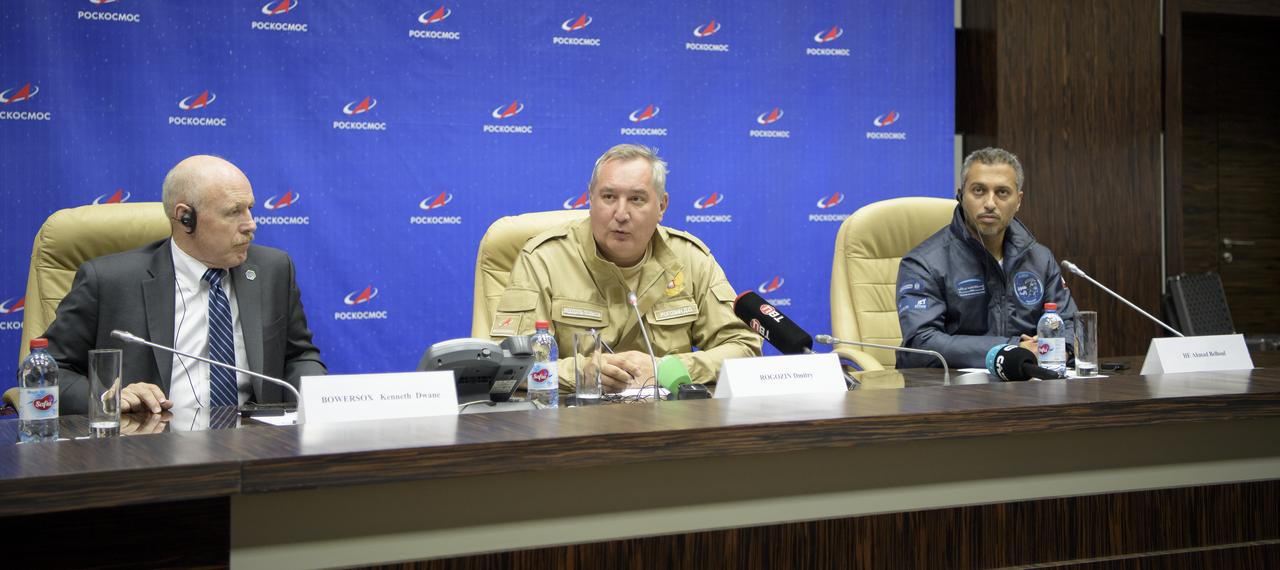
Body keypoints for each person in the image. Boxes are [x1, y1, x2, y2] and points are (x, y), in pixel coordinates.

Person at [43, 155, 326, 415]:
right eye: (233, 212)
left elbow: (299, 355)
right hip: (150, 447)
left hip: (254, 443)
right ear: (185, 217)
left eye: (250, 209)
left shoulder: (273, 269)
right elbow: (49, 371)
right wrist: (109, 397)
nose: (250, 224)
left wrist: (319, 399)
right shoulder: (108, 281)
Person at [490, 144, 760, 392]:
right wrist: (582, 372)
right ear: (590, 200)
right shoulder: (543, 259)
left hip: (670, 424)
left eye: (637, 199)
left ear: (662, 206)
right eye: (608, 197)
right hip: (574, 422)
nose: (621, 213)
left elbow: (744, 348)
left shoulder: (690, 258)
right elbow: (510, 367)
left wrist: (666, 369)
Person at [896, 147, 1077, 368]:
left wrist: (1060, 348)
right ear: (961, 196)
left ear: (1018, 200)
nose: (990, 203)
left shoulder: (1039, 258)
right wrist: (1011, 350)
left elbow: (1070, 324)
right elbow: (921, 343)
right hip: (948, 392)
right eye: (979, 191)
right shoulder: (923, 263)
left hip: (1027, 383)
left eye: (1002, 192)